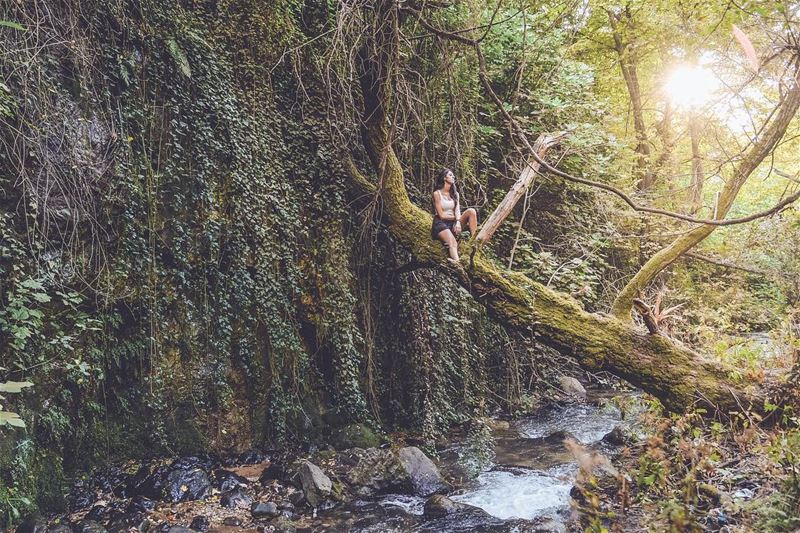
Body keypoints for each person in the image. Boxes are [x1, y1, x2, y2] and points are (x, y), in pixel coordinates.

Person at [431, 168, 478, 262]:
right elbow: (442, 215)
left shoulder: (455, 194)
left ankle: (475, 243)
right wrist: (456, 219)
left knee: (471, 211)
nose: (453, 177)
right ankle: (458, 263)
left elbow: (457, 211)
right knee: (453, 243)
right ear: (444, 178)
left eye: (453, 175)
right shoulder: (437, 194)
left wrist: (457, 221)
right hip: (440, 224)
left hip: (453, 223)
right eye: (450, 175)